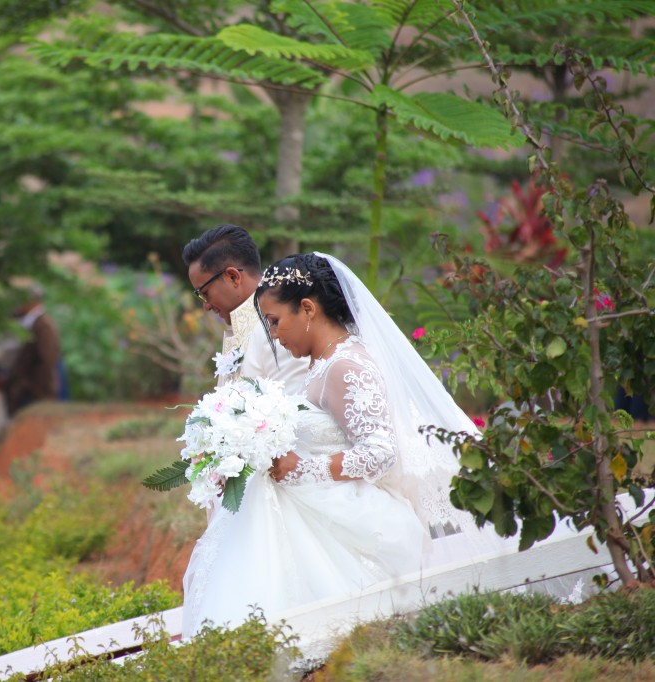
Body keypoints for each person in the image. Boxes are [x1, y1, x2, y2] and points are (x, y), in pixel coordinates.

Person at [180, 251, 515, 638]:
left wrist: (299, 469)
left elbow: (379, 452)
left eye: (275, 321)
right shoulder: (320, 363)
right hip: (319, 505)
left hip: (349, 518)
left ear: (307, 309)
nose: (272, 333)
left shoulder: (346, 365)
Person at [181, 225, 308, 392]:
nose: (206, 305)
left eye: (205, 293)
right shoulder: (240, 325)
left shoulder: (281, 324)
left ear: (233, 277)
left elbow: (296, 407)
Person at [0, 285, 67, 416]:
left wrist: (33, 388)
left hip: (35, 393)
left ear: (35, 302)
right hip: (26, 391)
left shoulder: (44, 325)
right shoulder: (29, 323)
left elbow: (47, 361)